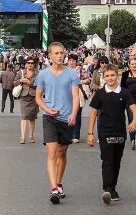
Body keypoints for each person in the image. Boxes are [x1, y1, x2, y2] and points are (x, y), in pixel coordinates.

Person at [34, 42, 80, 205]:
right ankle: (54, 188)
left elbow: (76, 96)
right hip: (50, 118)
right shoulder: (43, 75)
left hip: (66, 118)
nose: (60, 56)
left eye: (62, 53)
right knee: (52, 152)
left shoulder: (72, 74)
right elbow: (38, 97)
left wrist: (74, 114)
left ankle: (59, 184)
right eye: (57, 53)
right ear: (50, 56)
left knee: (62, 152)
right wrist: (47, 108)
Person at [86, 64, 136, 205]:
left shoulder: (125, 93)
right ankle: (107, 189)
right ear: (104, 77)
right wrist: (90, 133)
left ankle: (113, 188)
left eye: (112, 75)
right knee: (107, 161)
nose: (110, 78)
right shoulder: (100, 94)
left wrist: (134, 122)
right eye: (107, 76)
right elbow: (93, 114)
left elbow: (134, 109)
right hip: (105, 132)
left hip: (120, 132)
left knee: (116, 162)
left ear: (117, 76)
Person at [120, 56, 136, 150]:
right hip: (129, 99)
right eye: (132, 64)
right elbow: (122, 87)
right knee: (131, 118)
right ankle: (133, 138)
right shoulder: (125, 74)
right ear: (129, 65)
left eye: (135, 64)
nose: (134, 65)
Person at [14, 57, 39, 144]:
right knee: (24, 117)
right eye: (28, 63)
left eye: (32, 63)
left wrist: (30, 83)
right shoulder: (21, 72)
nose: (30, 64)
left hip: (33, 97)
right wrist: (20, 80)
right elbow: (14, 82)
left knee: (32, 118)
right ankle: (23, 137)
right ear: (26, 64)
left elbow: (40, 85)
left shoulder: (37, 73)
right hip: (23, 96)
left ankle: (31, 136)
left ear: (34, 64)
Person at [68, 53, 90, 144]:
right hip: (67, 95)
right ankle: (68, 135)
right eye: (70, 60)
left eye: (73, 60)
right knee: (67, 115)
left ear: (76, 62)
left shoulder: (81, 70)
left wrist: (82, 81)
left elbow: (88, 80)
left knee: (77, 115)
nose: (71, 62)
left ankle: (75, 135)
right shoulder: (64, 70)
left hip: (79, 94)